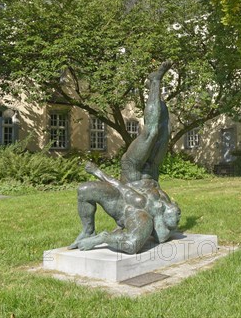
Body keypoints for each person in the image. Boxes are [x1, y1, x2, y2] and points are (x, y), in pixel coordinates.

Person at [68, 61, 181, 253]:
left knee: (85, 190)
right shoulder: (162, 205)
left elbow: (131, 245)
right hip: (150, 172)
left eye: (175, 215)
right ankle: (155, 84)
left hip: (131, 175)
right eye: (176, 211)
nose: (176, 212)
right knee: (160, 131)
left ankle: (89, 232)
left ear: (164, 221)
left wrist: (101, 239)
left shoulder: (143, 219)